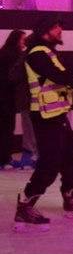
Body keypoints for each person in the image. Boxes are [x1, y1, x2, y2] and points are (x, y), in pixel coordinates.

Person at [13, 17, 73, 233]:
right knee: (49, 164)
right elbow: (61, 76)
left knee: (72, 162)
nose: (60, 30)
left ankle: (70, 199)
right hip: (45, 116)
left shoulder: (48, 52)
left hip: (57, 114)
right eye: (56, 27)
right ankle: (25, 207)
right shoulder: (37, 54)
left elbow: (60, 80)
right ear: (45, 32)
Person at [0, 30, 24, 169]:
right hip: (7, 97)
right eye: (22, 40)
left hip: (3, 96)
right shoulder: (15, 56)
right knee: (8, 128)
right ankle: (4, 158)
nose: (23, 43)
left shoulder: (3, 53)